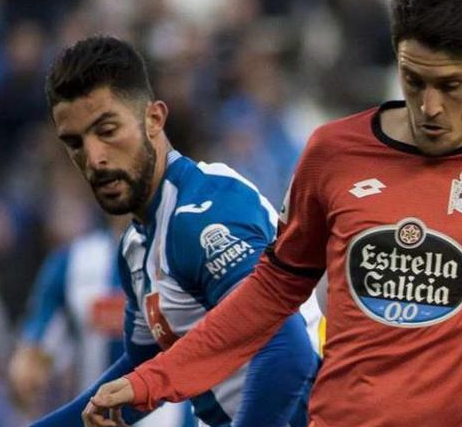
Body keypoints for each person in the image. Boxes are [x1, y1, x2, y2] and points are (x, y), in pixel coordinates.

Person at [86, 0, 462, 427]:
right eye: (414, 80)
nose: (429, 107)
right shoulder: (333, 153)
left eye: (450, 86)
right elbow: (265, 297)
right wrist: (151, 382)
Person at [34, 35, 321, 427]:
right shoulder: (136, 245)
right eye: (74, 143)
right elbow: (143, 368)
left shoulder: (203, 214)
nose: (94, 158)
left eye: (107, 130)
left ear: (153, 119)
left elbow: (288, 352)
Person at [8, 221, 195, 427]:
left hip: (173, 413)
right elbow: (38, 335)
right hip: (93, 413)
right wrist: (29, 362)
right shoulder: (74, 261)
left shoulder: (187, 252)